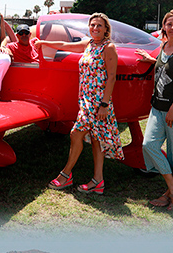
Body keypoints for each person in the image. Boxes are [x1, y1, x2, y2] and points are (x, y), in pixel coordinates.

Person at [44, 13, 122, 193]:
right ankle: (98, 181)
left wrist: (104, 104)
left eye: (99, 25)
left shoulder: (108, 48)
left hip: (98, 102)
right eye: (93, 25)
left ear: (106, 29)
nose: (95, 28)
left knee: (75, 134)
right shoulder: (89, 44)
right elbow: (65, 45)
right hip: (86, 100)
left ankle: (65, 175)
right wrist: (43, 43)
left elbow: (111, 78)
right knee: (96, 140)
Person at [136, 10, 173, 210]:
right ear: (163, 27)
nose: (172, 28)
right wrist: (150, 59)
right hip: (158, 107)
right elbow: (168, 66)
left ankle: (170, 196)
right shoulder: (163, 46)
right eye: (169, 24)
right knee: (149, 145)